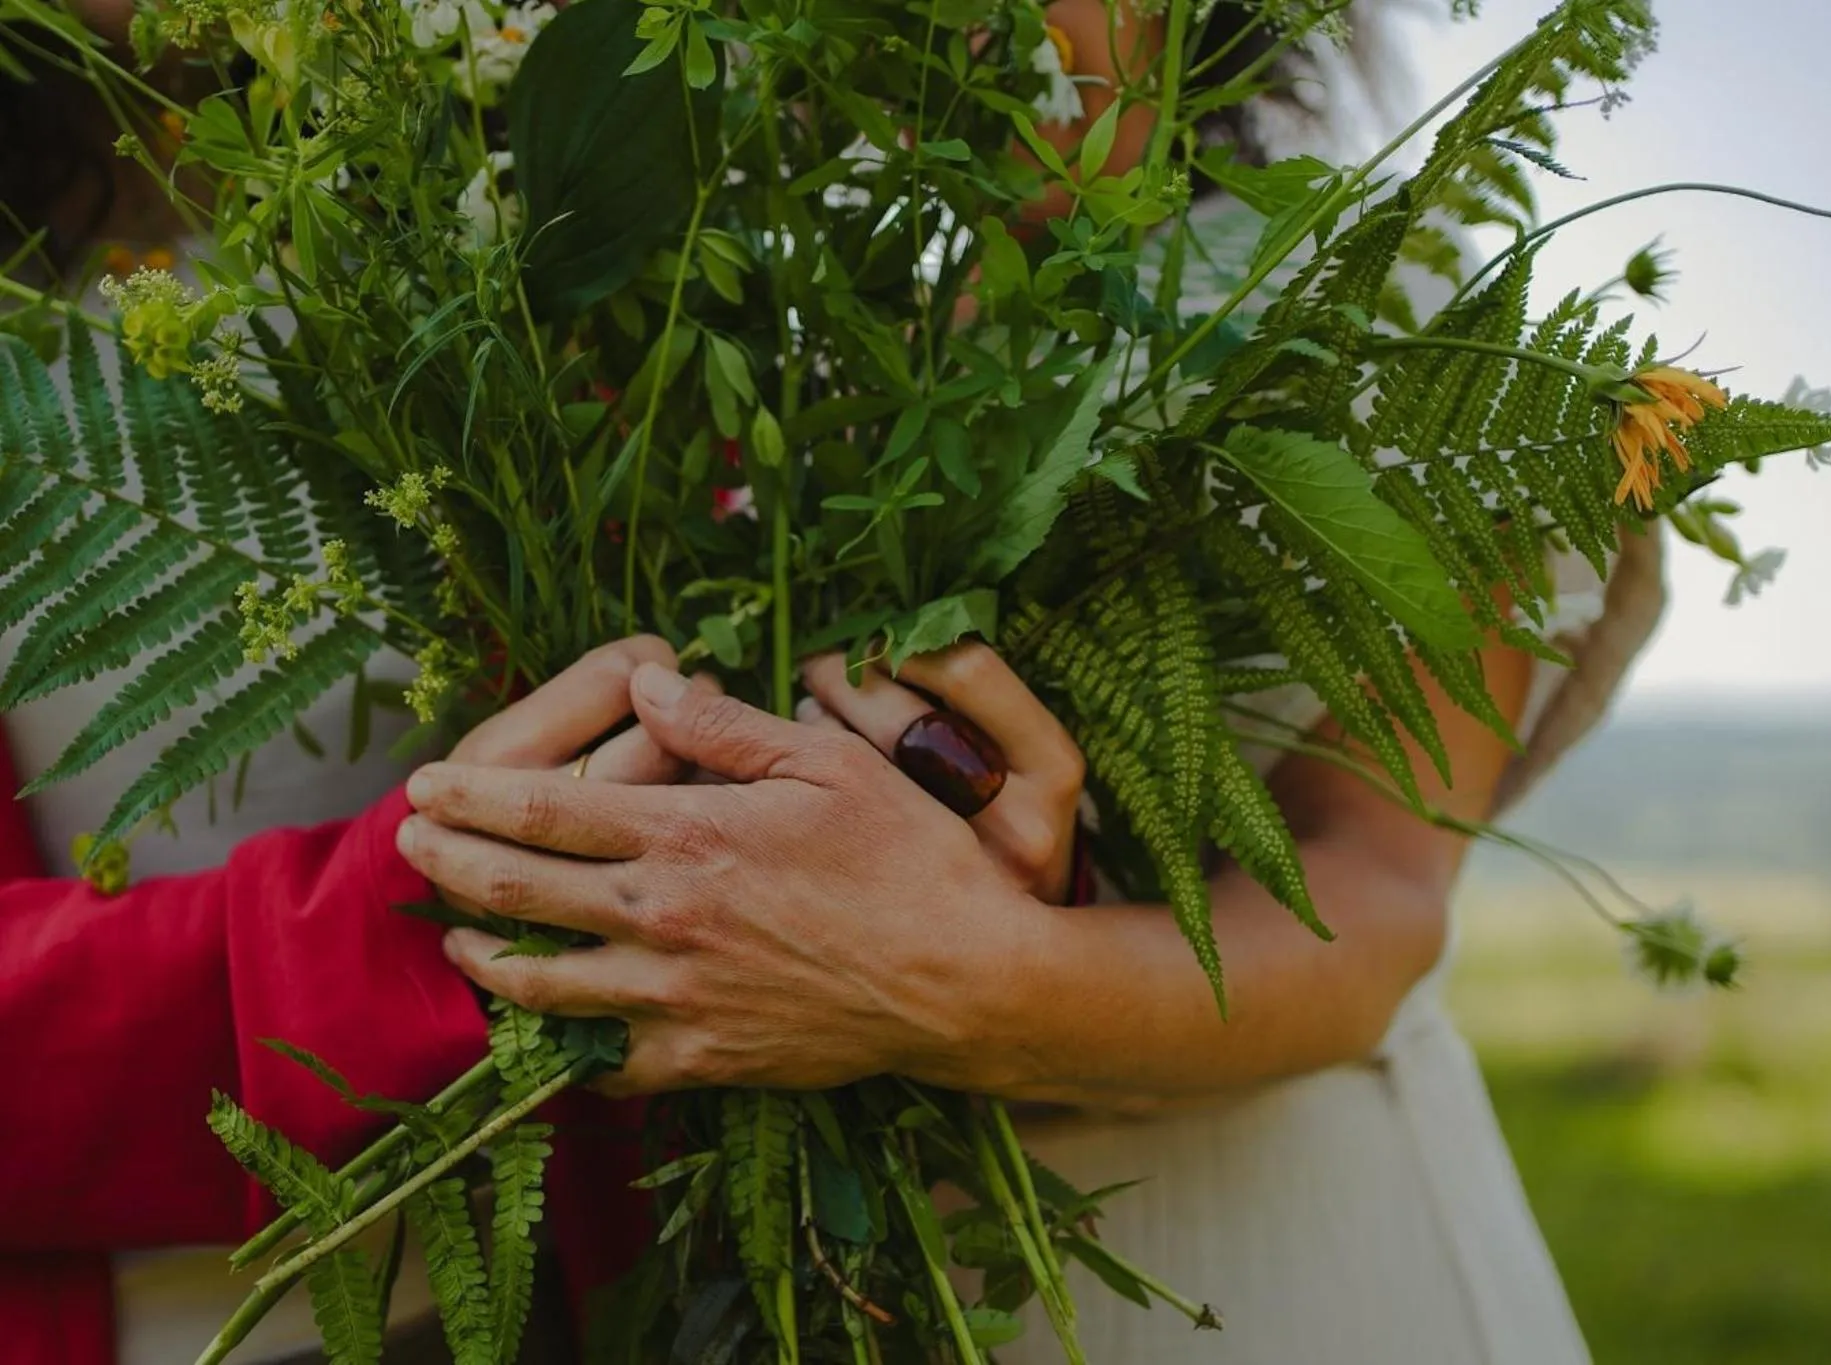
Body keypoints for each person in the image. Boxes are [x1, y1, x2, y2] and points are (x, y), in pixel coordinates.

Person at [2, 4, 1664, 1364]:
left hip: (1274, 1248)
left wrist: (963, 954)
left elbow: (1371, 910)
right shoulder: (726, 302)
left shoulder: (1403, 320)